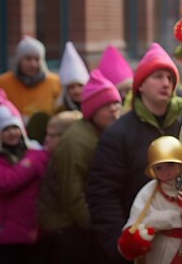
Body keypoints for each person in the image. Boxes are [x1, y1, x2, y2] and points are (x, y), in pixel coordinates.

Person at [86, 43, 182, 263]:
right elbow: (103, 195)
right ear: (140, 85)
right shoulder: (118, 133)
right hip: (144, 247)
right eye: (157, 76)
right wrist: (120, 249)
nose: (166, 83)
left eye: (170, 78)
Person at [39, 70, 122, 264]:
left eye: (115, 103)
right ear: (92, 111)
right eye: (106, 105)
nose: (113, 110)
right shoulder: (76, 143)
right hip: (68, 227)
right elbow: (73, 196)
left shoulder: (101, 132)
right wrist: (101, 227)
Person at [117, 136, 182, 264]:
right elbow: (131, 234)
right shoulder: (148, 192)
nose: (165, 172)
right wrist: (176, 216)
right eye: (159, 167)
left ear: (180, 163)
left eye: (170, 164)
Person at [0, 89, 49, 264]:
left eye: (14, 128)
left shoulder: (35, 153)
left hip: (34, 233)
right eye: (6, 129)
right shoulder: (34, 156)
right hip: (5, 237)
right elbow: (6, 182)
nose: (11, 133)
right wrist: (31, 161)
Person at [0, 36, 61, 133]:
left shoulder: (55, 82)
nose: (33, 64)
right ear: (19, 61)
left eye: (37, 59)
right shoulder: (1, 83)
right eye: (28, 59)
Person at [54, 41, 90, 113]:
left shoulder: (94, 108)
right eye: (72, 87)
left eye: (80, 86)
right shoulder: (60, 111)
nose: (77, 91)